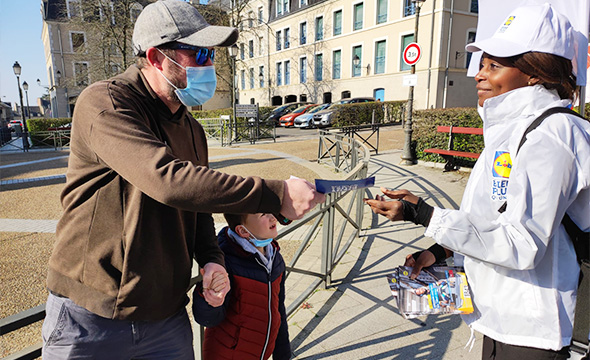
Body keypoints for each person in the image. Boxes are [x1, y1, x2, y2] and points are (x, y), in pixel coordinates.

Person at [41, 1, 324, 359]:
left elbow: (197, 206)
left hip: (166, 318)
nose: (210, 63)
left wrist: (211, 259)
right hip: (90, 318)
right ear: (158, 58)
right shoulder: (105, 103)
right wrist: (276, 193)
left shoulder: (190, 127)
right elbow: (168, 180)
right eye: (199, 52)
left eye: (212, 53)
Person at [365, 3, 590, 360]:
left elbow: (521, 244)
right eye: (481, 64)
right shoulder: (510, 132)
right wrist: (440, 252)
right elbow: (492, 223)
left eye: (494, 65)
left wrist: (424, 215)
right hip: (501, 318)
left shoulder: (552, 134)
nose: (479, 75)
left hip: (538, 330)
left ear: (535, 72)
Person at [193, 212, 291, 360]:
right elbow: (208, 319)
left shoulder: (275, 257)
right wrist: (208, 298)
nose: (273, 217)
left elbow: (278, 309)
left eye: (271, 210)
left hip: (260, 352)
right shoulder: (225, 261)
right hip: (227, 354)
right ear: (243, 231)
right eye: (264, 214)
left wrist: (283, 354)